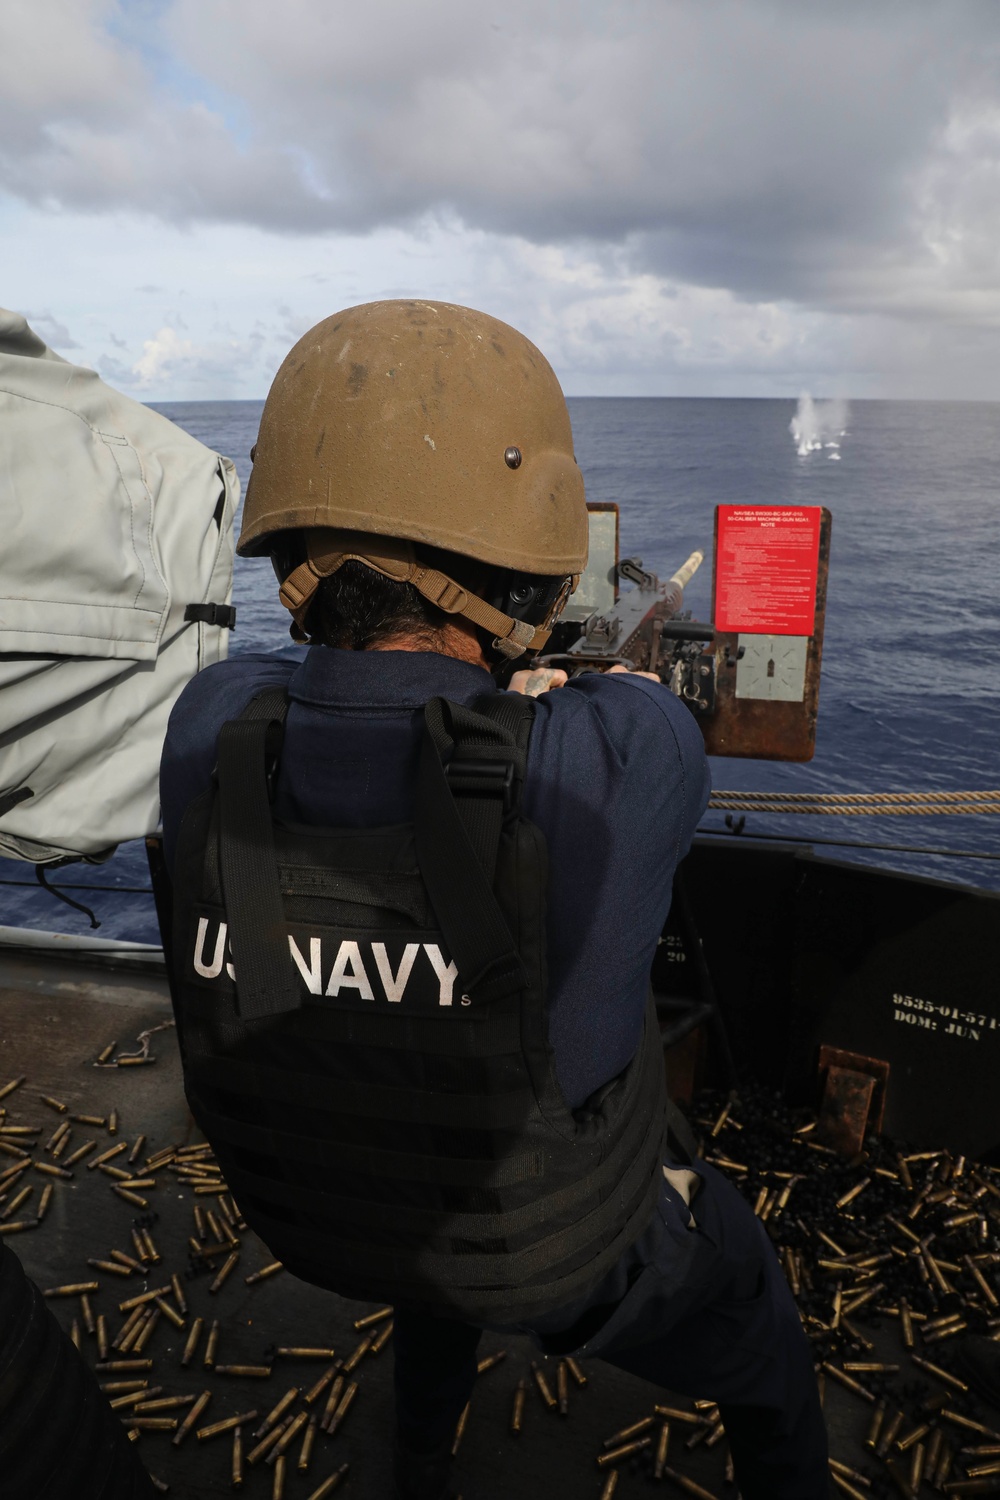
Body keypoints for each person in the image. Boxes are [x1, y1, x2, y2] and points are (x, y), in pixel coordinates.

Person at [158, 299, 828, 1500]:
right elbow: (634, 715)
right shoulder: (619, 760)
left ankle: (421, 1456)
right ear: (523, 548)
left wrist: (479, 686)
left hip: (314, 1213)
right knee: (752, 1301)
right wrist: (536, 687)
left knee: (442, 1167)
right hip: (552, 1252)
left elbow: (308, 691)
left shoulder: (210, 731)